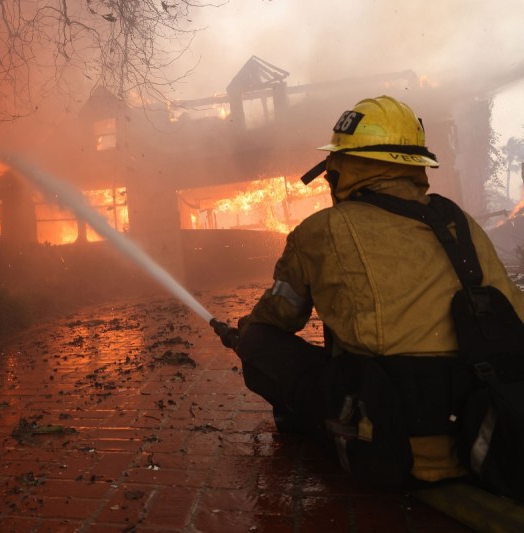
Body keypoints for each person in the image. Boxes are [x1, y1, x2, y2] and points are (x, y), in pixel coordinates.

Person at [220, 95, 524, 488]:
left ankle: (310, 422)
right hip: (486, 433)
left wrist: (244, 332)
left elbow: (280, 315)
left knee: (259, 340)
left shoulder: (322, 230)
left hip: (393, 443)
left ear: (343, 166)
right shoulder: (459, 223)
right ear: (415, 164)